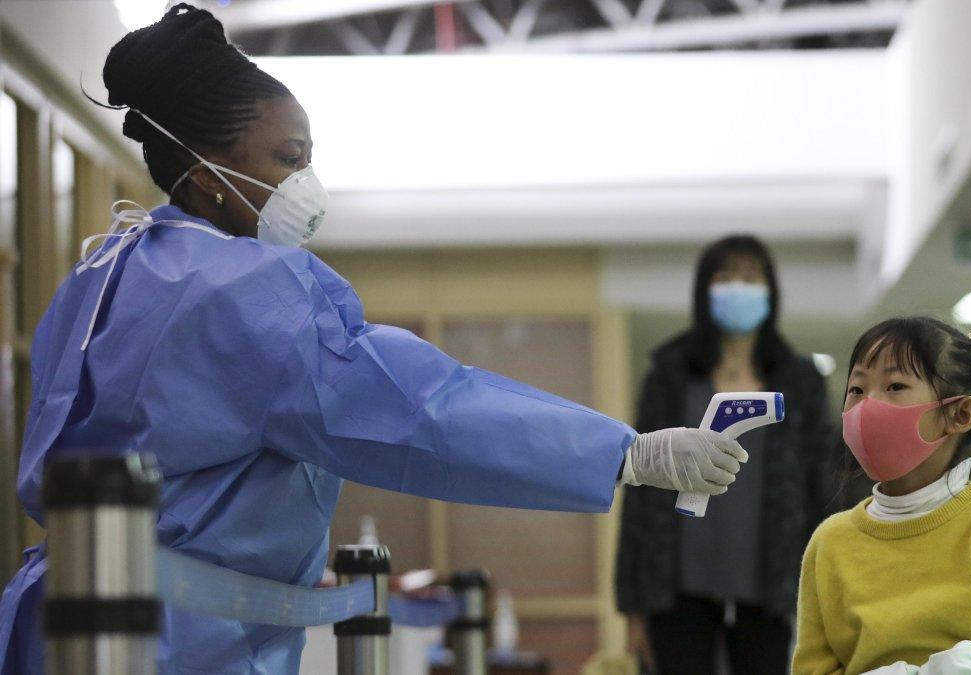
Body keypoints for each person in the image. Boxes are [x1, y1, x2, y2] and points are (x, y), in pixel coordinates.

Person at [0, 6, 750, 674]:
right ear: (205, 179)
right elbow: (420, 409)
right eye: (288, 159)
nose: (308, 181)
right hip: (173, 645)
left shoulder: (101, 272)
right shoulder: (245, 289)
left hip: (55, 627)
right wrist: (625, 452)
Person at [793, 317, 971, 674]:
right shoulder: (829, 543)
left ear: (959, 414)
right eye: (857, 390)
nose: (868, 406)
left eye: (895, 386)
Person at [616, 235, 834, 675]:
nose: (738, 286)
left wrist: (821, 593)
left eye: (750, 277)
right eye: (725, 276)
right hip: (674, 588)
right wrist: (633, 606)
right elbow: (639, 490)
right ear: (703, 291)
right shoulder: (669, 377)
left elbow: (822, 487)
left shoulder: (800, 381)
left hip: (773, 589)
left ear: (770, 291)